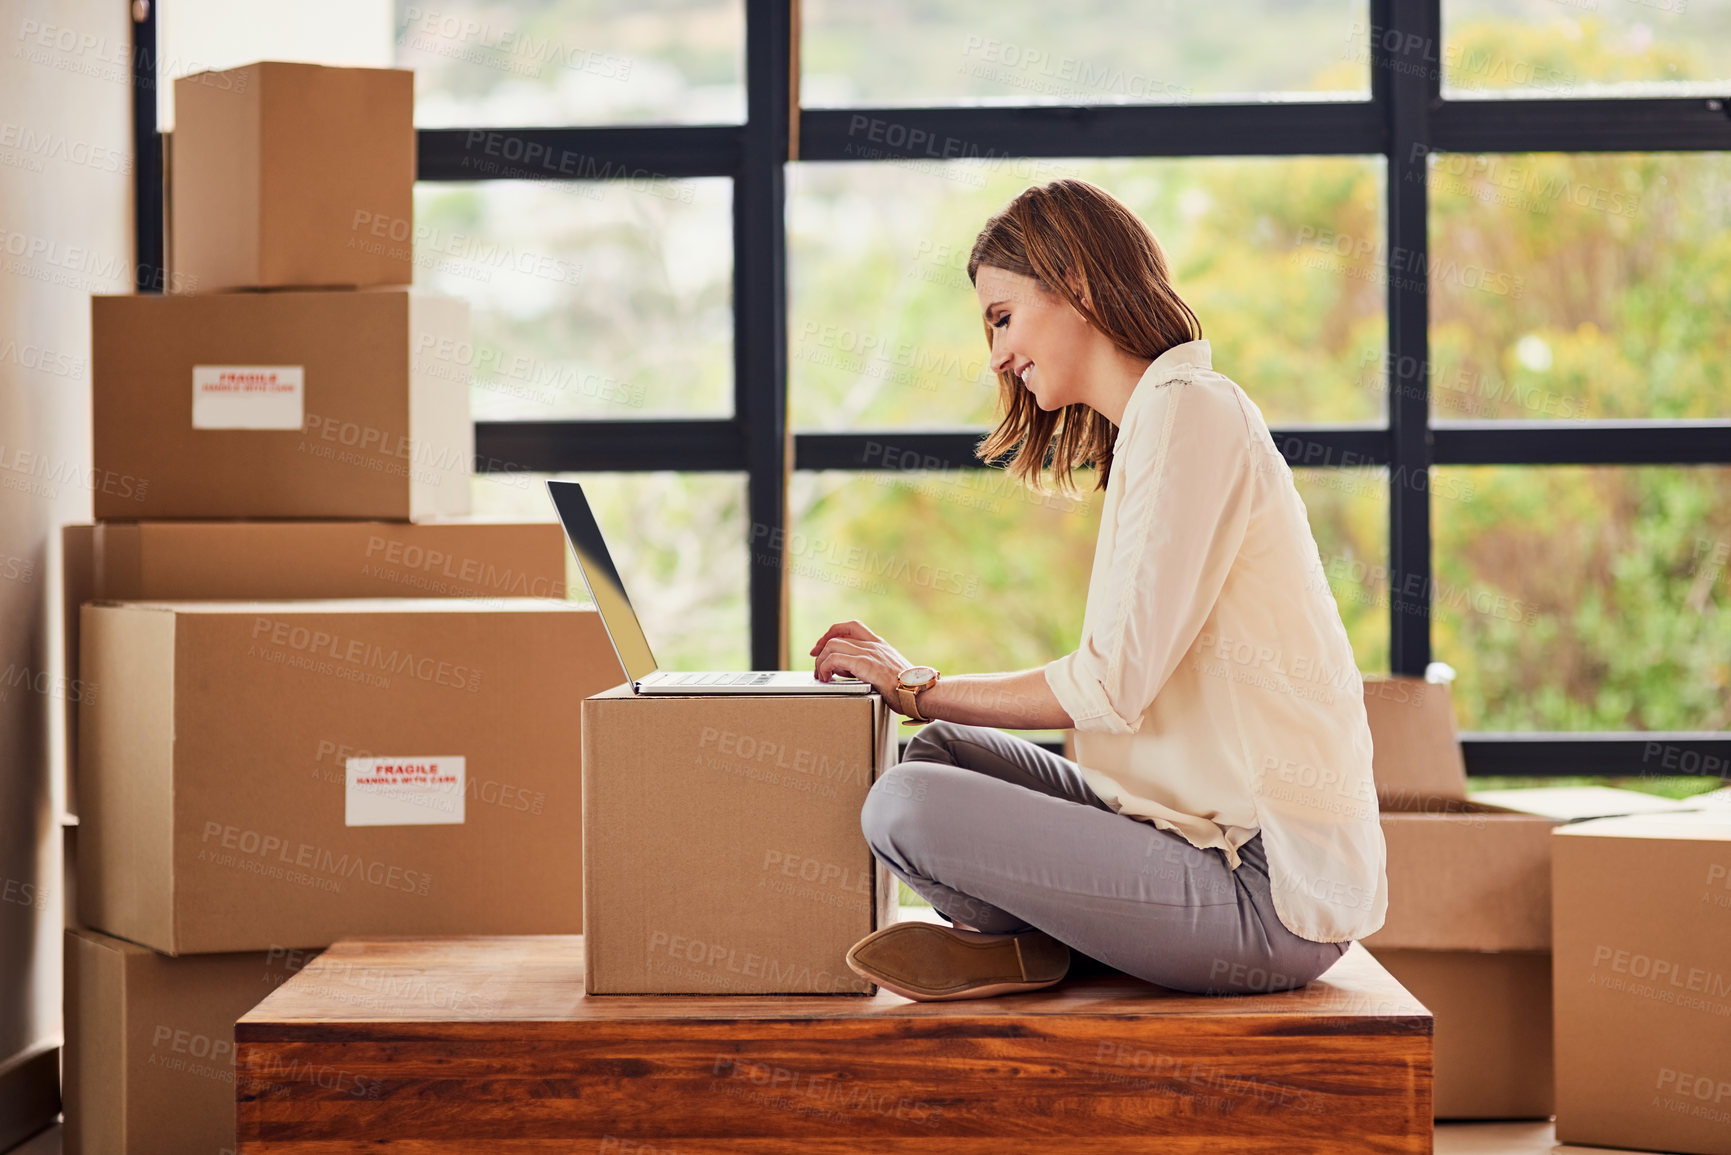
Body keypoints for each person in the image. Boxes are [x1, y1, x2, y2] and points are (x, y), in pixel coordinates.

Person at [808, 179, 1388, 1002]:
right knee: (934, 757)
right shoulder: (1156, 424)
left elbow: (1112, 682)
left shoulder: (1193, 413)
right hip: (1178, 830)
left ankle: (1049, 946)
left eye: (1002, 318)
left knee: (906, 804)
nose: (996, 357)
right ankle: (1052, 946)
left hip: (1265, 890)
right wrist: (926, 705)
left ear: (1073, 282)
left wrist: (917, 685)